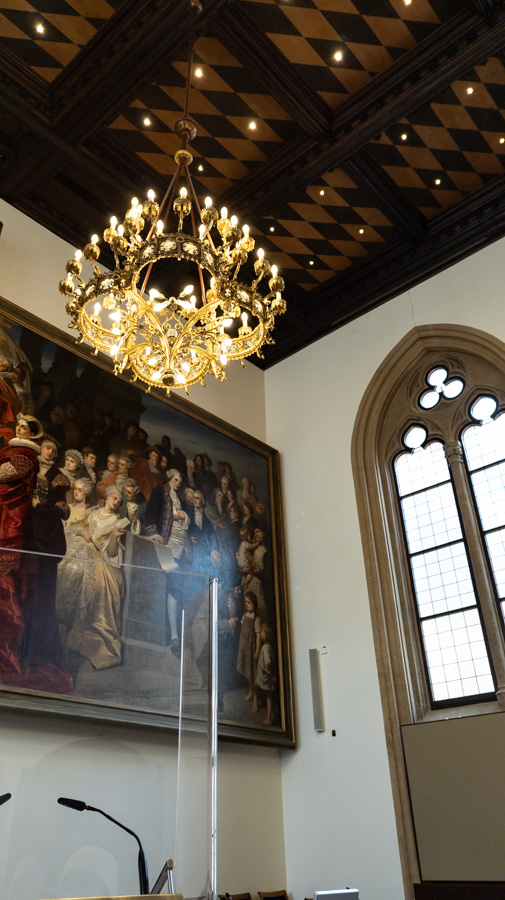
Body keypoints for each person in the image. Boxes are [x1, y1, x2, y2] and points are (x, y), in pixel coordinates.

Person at [0, 413, 73, 693]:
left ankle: (31, 650)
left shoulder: (56, 477)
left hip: (44, 537)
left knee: (36, 593)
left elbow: (63, 510)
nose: (49, 452)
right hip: (26, 532)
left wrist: (42, 507)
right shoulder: (24, 460)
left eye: (53, 451)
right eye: (47, 448)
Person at [58, 485, 127, 670]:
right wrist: (82, 532)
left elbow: (111, 553)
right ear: (106, 498)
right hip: (80, 547)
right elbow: (77, 527)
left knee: (88, 580)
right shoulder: (93, 513)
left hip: (98, 558)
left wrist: (113, 536)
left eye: (119, 501)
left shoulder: (117, 522)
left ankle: (78, 635)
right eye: (114, 498)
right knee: (65, 566)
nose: (116, 501)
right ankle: (60, 626)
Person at [145, 468, 190, 655]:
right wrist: (154, 533)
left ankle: (176, 636)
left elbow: (183, 522)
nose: (178, 483)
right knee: (170, 585)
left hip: (180, 547)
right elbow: (152, 512)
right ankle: (173, 637)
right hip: (164, 543)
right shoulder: (160, 491)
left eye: (180, 481)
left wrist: (183, 517)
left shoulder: (178, 500)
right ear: (170, 478)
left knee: (178, 587)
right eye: (176, 479)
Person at [236, 592, 261, 713]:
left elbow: (258, 636)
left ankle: (256, 699)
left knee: (253, 675)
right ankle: (251, 692)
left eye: (249, 603)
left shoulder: (256, 619)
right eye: (246, 602)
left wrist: (256, 651)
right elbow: (242, 628)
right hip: (244, 649)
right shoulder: (245, 615)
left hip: (251, 650)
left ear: (254, 604)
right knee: (247, 672)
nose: (247, 605)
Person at [256, 622, 276, 725]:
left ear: (266, 634)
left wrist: (269, 673)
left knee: (269, 698)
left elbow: (268, 662)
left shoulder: (266, 648)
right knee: (269, 698)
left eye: (262, 632)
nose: (261, 634)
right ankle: (270, 716)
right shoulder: (266, 647)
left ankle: (269, 718)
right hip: (267, 677)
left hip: (267, 678)